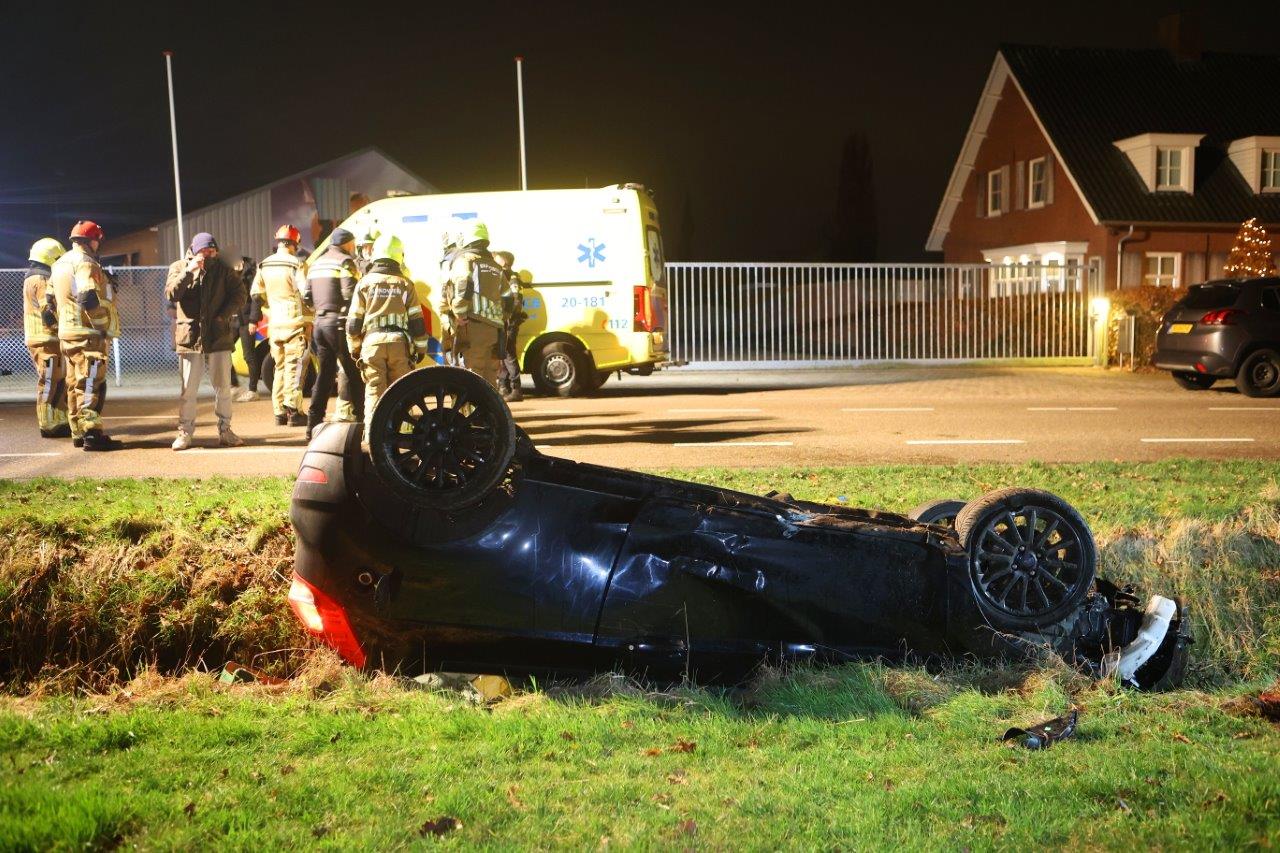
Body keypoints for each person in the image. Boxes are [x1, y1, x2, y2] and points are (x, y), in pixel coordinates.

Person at [165, 232, 246, 450]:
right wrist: (188, 272)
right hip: (190, 337)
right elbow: (172, 295)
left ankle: (225, 430)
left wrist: (223, 315)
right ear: (195, 250)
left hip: (218, 335)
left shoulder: (222, 268)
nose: (209, 255)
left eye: (212, 251)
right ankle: (184, 433)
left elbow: (240, 294)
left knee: (223, 387)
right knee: (188, 389)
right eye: (205, 252)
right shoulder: (178, 266)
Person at [49, 220, 122, 451]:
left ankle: (78, 432)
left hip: (67, 334)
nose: (99, 245)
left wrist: (65, 321)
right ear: (92, 241)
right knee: (91, 381)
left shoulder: (60, 263)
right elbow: (88, 296)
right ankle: (92, 433)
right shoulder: (86, 263)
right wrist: (100, 326)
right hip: (87, 333)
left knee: (74, 383)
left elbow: (49, 301)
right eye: (98, 241)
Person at [346, 234, 429, 436]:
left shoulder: (364, 283)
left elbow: (353, 324)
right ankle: (402, 436)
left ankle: (373, 437)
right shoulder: (405, 284)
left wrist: (355, 349)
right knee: (400, 392)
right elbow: (417, 323)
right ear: (398, 255)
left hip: (372, 345)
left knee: (374, 391)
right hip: (399, 345)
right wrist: (420, 349)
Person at [302, 227, 364, 440]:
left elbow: (306, 296)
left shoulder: (316, 264)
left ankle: (313, 425)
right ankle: (363, 421)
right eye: (352, 243)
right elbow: (350, 292)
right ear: (346, 243)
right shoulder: (345, 262)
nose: (353, 247)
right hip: (338, 324)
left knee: (325, 375)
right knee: (354, 372)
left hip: (320, 323)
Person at [250, 225, 310, 427]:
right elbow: (306, 293)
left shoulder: (264, 264)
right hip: (294, 322)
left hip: (274, 324)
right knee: (295, 366)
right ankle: (294, 410)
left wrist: (271, 305)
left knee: (280, 366)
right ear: (295, 243)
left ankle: (279, 412)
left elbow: (257, 294)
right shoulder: (297, 264)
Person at [444, 221, 504, 387]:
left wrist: (459, 314)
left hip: (472, 326)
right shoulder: (496, 267)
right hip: (493, 330)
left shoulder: (465, 260)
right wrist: (500, 318)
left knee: (470, 377)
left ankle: (470, 413)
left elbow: (463, 286)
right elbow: (508, 299)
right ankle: (489, 413)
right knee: (490, 379)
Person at [23, 238, 70, 437]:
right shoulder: (41, 279)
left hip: (45, 338)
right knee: (50, 380)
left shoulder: (33, 277)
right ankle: (48, 424)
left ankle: (58, 420)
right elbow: (48, 312)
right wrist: (64, 325)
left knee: (57, 380)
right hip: (46, 338)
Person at [491, 250, 527, 402]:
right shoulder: (502, 275)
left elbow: (516, 300)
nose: (494, 259)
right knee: (503, 354)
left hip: (509, 322)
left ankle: (516, 388)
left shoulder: (511, 278)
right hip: (503, 320)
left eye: (497, 258)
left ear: (504, 261)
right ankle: (504, 386)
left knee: (508, 354)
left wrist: (508, 317)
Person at [232, 257, 263, 402]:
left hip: (246, 320)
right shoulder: (227, 275)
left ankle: (252, 390)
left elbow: (256, 299)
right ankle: (233, 385)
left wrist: (253, 320)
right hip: (231, 320)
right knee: (222, 352)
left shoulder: (251, 276)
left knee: (249, 355)